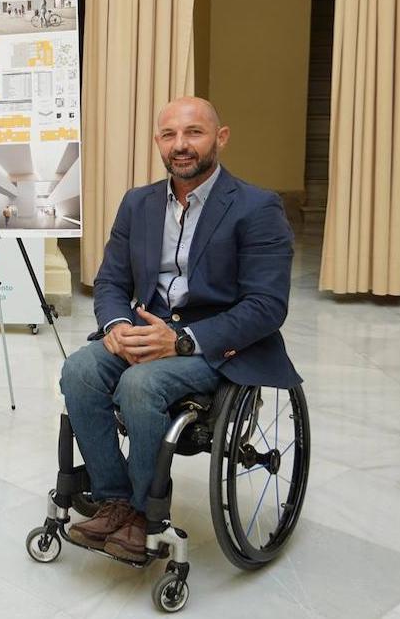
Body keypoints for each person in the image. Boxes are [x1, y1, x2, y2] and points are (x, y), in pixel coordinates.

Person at [59, 96, 299, 562]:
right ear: (158, 142)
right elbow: (111, 280)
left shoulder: (257, 207)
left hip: (215, 343)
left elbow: (268, 305)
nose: (180, 145)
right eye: (169, 135)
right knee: (80, 372)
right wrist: (116, 325)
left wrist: (184, 340)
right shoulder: (138, 203)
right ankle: (117, 500)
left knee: (140, 383)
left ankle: (146, 513)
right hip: (145, 329)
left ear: (220, 138)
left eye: (194, 133)